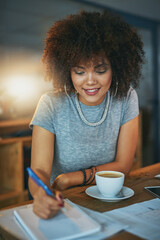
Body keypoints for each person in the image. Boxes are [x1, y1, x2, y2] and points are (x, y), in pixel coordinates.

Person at [28, 10, 144, 219]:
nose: (90, 81)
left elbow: (123, 165)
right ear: (67, 71)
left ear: (116, 67)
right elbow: (39, 170)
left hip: (109, 201)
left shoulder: (126, 97)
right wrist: (40, 196)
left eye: (100, 70)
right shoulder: (51, 103)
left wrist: (70, 178)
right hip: (63, 202)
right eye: (79, 72)